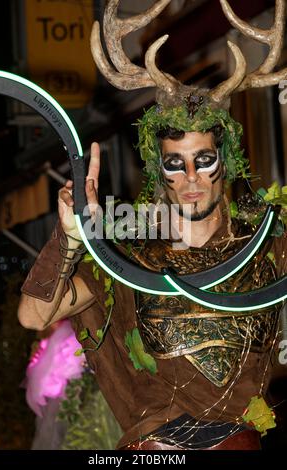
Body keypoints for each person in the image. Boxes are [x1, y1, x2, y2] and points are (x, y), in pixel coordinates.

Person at [18, 0, 287, 450]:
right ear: (159, 170)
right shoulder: (128, 260)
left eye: (204, 160)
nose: (191, 179)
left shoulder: (265, 246)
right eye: (175, 164)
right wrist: (67, 238)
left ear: (227, 163)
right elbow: (33, 316)